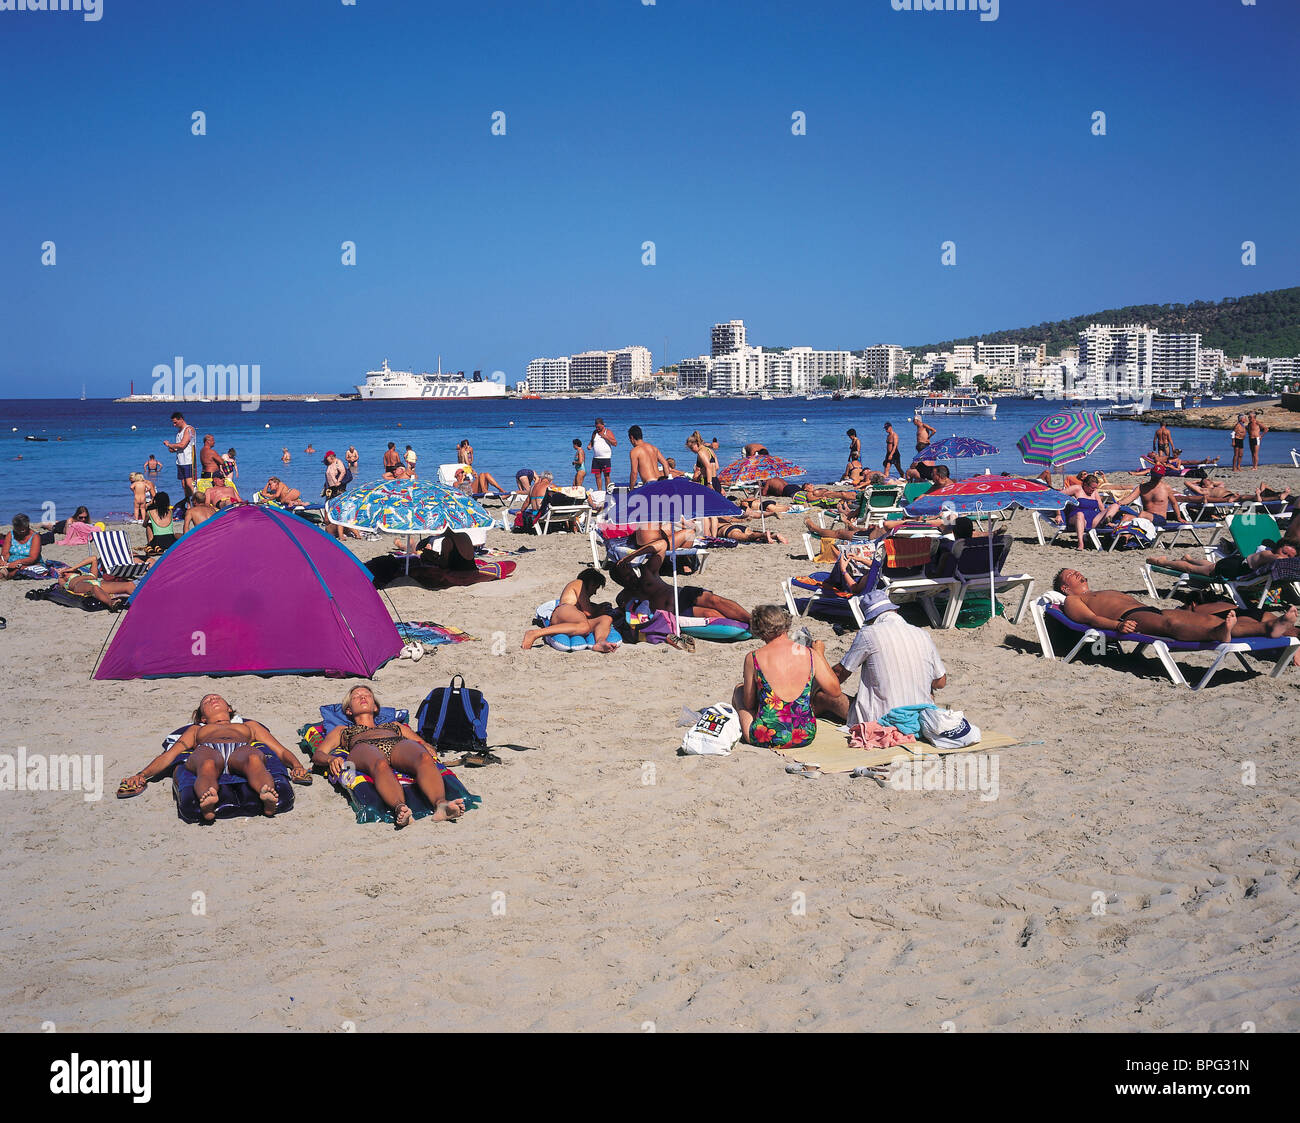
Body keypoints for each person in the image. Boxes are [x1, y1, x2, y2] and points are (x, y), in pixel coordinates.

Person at [116, 694, 312, 820]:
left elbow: (278, 749)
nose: (212, 700)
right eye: (207, 702)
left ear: (229, 708)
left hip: (240, 749)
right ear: (203, 717)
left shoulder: (249, 727)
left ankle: (267, 797)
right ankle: (208, 801)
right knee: (207, 763)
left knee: (254, 759)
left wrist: (296, 764)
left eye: (217, 698)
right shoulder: (196, 730)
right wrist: (141, 775)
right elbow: (170, 755)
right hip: (208, 749)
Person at [311, 686, 464, 828]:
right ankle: (400, 808)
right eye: (356, 696)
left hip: (396, 743)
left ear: (375, 707)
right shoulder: (341, 730)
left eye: (367, 695)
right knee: (379, 764)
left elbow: (423, 744)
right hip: (362, 745)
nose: (362, 697)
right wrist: (330, 759)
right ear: (349, 710)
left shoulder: (395, 725)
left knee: (423, 757)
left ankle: (441, 805)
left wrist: (427, 748)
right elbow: (319, 754)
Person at [1053, 568, 1299, 647]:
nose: (1077, 573)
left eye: (1076, 571)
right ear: (1065, 588)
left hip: (1151, 609)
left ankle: (1271, 626)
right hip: (1131, 617)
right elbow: (1091, 621)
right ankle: (1218, 634)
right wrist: (1117, 625)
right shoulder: (1073, 601)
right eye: (1071, 575)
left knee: (1215, 620)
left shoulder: (1097, 591)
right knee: (1172, 626)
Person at [831, 590, 947, 727]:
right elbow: (941, 682)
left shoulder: (868, 633)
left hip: (883, 718)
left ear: (870, 619)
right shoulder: (922, 634)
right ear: (895, 611)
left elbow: (840, 674)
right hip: (920, 717)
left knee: (823, 696)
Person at [731, 605, 845, 746]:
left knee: (739, 690)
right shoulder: (810, 654)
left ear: (758, 631)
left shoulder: (753, 657)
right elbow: (835, 691)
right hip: (804, 735)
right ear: (786, 624)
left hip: (766, 737)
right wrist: (820, 655)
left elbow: (748, 703)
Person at [612, 558, 750, 628]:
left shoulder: (647, 572)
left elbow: (660, 545)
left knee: (715, 601)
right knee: (711, 614)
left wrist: (633, 556)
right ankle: (744, 627)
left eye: (631, 571)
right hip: (677, 611)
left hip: (682, 594)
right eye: (627, 576)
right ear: (620, 581)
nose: (633, 576)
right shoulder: (624, 597)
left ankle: (753, 621)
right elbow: (630, 614)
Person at [522, 568, 619, 653]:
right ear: (590, 582)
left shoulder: (581, 596)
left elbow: (587, 612)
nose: (594, 593)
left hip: (573, 619)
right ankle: (535, 633)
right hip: (565, 610)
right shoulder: (578, 583)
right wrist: (600, 608)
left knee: (606, 619)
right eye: (595, 587)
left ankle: (600, 642)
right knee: (584, 626)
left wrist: (601, 608)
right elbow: (588, 612)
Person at [1148, 541, 1296, 582]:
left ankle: (1190, 558)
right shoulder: (1268, 554)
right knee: (1191, 569)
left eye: (1290, 556)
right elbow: (1278, 559)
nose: (1286, 557)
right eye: (1284, 552)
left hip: (1236, 563)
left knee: (1210, 565)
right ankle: (1163, 562)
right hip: (1232, 567)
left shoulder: (1276, 558)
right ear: (1277, 549)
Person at [1060, 472, 1123, 550]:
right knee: (1080, 514)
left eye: (1095, 488)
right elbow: (1058, 497)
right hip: (1077, 517)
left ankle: (1106, 521)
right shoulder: (1077, 489)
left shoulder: (1094, 491)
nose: (1093, 490)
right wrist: (1058, 514)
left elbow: (1101, 506)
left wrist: (1105, 514)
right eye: (1092, 488)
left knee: (1115, 505)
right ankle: (1080, 543)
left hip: (1093, 518)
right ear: (1085, 485)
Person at [1112, 466, 1187, 528]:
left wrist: (1179, 517)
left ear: (1162, 476)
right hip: (1144, 517)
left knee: (1142, 514)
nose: (1156, 478)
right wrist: (1119, 503)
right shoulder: (1142, 487)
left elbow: (1174, 503)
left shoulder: (1166, 488)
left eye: (1158, 476)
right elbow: (1130, 498)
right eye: (1155, 475)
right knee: (1126, 517)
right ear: (1151, 473)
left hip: (1160, 519)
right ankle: (1121, 538)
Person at [164, 411, 197, 499]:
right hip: (180, 461)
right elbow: (178, 447)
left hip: (189, 461)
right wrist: (172, 449)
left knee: (190, 484)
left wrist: (169, 444)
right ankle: (188, 504)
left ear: (181, 419)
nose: (174, 425)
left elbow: (183, 444)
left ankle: (197, 502)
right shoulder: (179, 432)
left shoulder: (189, 429)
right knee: (184, 485)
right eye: (173, 423)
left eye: (175, 422)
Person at [0, 514, 42, 579]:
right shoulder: (10, 534)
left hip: (28, 563)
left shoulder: (35, 537)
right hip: (10, 564)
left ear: (27, 526)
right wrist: (3, 561)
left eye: (22, 530)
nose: (19, 533)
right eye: (17, 530)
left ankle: (9, 575)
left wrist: (17, 562)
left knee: (21, 570)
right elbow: (5, 553)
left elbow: (33, 558)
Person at [588, 417, 617, 491]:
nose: (597, 428)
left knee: (606, 476)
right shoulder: (594, 433)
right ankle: (600, 491)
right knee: (597, 475)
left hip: (605, 458)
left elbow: (615, 443)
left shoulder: (608, 432)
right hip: (596, 458)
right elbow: (592, 441)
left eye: (599, 427)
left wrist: (605, 437)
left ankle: (608, 491)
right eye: (596, 427)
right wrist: (590, 446)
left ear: (603, 425)